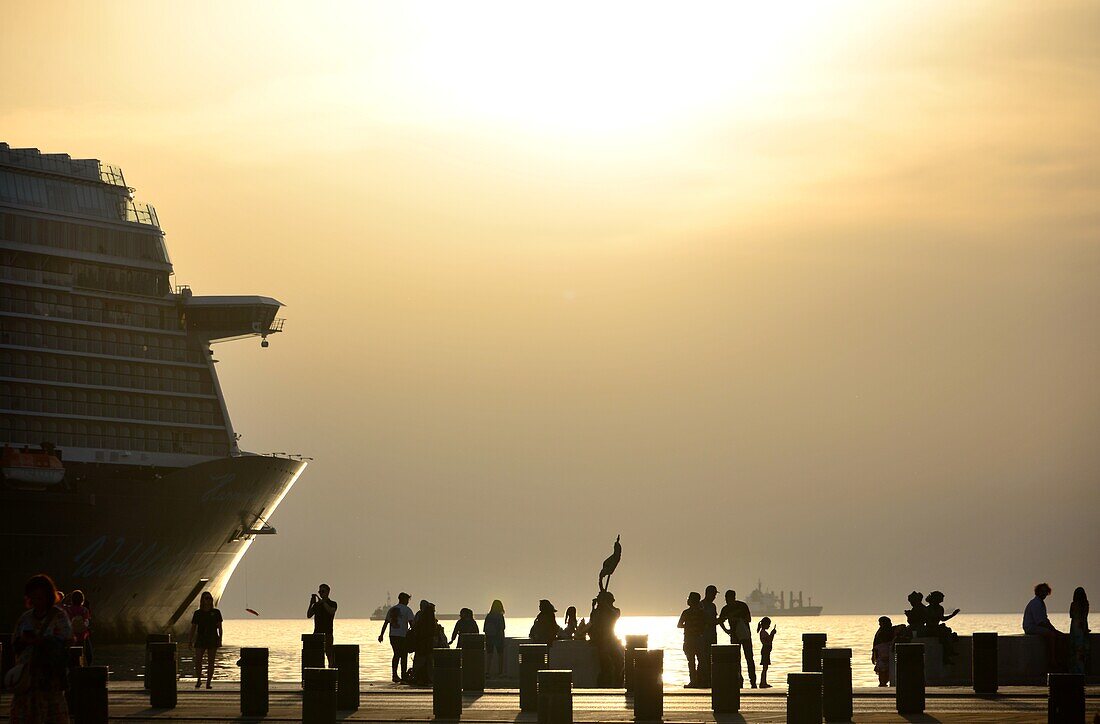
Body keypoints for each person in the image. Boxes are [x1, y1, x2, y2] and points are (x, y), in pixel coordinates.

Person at [8, 574, 74, 723]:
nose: (37, 601)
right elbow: (15, 644)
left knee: (52, 714)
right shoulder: (25, 618)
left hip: (50, 676)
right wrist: (24, 641)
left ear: (49, 597)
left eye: (40, 597)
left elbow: (67, 641)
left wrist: (41, 641)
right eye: (33, 597)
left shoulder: (59, 617)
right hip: (28, 677)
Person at [718, 589, 756, 688]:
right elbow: (721, 621)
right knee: (741, 659)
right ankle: (744, 680)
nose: (726, 600)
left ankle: (748, 681)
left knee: (745, 659)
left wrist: (734, 621)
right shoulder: (736, 607)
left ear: (732, 597)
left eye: (727, 598)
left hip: (741, 636)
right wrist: (726, 630)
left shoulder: (735, 607)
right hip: (740, 635)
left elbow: (749, 619)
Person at [1023, 582, 1063, 672]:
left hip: (1036, 626)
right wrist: (1053, 630)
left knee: (1055, 634)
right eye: (1042, 591)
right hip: (1031, 627)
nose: (1044, 594)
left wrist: (1054, 629)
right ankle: (1052, 660)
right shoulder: (1036, 603)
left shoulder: (1040, 603)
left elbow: (1045, 620)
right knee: (1051, 635)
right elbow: (1040, 622)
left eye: (1045, 592)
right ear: (1038, 592)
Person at [587, 591, 623, 687]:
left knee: (620, 660)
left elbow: (613, 614)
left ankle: (617, 681)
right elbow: (592, 620)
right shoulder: (598, 612)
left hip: (612, 640)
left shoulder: (615, 611)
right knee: (605, 664)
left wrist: (604, 604)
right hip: (601, 642)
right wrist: (593, 607)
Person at [378, 592, 415, 683]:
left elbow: (386, 623)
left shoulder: (392, 609)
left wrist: (381, 635)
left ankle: (394, 675)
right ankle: (403, 676)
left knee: (396, 654)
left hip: (392, 636)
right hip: (402, 636)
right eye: (407, 600)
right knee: (403, 655)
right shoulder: (407, 610)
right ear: (404, 599)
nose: (408, 602)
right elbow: (412, 624)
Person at [189, 591, 222, 689]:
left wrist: (220, 639)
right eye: (206, 598)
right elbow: (193, 627)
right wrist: (190, 640)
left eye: (210, 598)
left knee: (211, 662)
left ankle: (208, 682)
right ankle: (199, 679)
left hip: (212, 637)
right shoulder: (198, 613)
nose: (208, 600)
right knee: (198, 660)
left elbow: (220, 627)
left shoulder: (216, 612)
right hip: (201, 637)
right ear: (202, 600)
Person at [676, 592, 707, 687]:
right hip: (699, 639)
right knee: (701, 660)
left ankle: (694, 681)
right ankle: (699, 680)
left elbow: (679, 625)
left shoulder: (686, 612)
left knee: (691, 661)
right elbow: (705, 625)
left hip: (689, 640)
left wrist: (688, 626)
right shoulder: (702, 613)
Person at [924, 591, 959, 664]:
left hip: (937, 627)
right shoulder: (928, 608)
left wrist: (952, 615)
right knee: (944, 634)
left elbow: (942, 619)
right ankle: (946, 656)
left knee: (948, 632)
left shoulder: (940, 608)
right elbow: (927, 620)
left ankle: (949, 652)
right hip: (930, 628)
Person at [307, 583, 338, 667]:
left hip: (328, 633)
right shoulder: (317, 605)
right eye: (319, 592)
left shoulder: (332, 603)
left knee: (329, 654)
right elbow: (309, 615)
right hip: (317, 633)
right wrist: (311, 604)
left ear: (328, 592)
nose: (321, 593)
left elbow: (331, 611)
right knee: (317, 655)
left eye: (322, 591)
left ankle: (331, 669)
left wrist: (323, 602)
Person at [409, 600, 439, 684]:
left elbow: (415, 627)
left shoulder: (420, 615)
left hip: (421, 642)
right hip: (429, 642)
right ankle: (430, 678)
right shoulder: (431, 617)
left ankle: (417, 676)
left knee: (419, 660)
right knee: (429, 661)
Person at [697, 585, 719, 686]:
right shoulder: (701, 605)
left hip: (712, 635)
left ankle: (710, 679)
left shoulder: (713, 606)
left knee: (711, 658)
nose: (715, 596)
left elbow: (713, 620)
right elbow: (704, 619)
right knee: (703, 658)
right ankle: (701, 679)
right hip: (703, 636)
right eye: (714, 594)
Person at [63, 590, 92, 665]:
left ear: (72, 600)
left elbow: (61, 605)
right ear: (82, 600)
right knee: (87, 654)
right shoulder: (84, 610)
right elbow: (87, 621)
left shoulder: (67, 609)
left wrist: (66, 597)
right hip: (83, 636)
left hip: (71, 636)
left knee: (71, 654)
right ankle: (87, 667)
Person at [1069, 587, 1090, 675]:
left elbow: (1071, 615)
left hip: (1075, 627)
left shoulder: (1073, 604)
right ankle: (1082, 670)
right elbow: (1085, 616)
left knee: (1074, 650)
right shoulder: (1086, 604)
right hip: (1083, 626)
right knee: (1082, 651)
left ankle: (1075, 671)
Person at [483, 600, 506, 677]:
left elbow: (484, 628)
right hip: (499, 637)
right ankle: (500, 672)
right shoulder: (500, 616)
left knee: (489, 654)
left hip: (489, 637)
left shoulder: (488, 616)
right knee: (500, 655)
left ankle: (487, 671)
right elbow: (503, 627)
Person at [872, 616, 896, 687]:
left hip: (885, 655)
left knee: (885, 672)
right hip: (883, 655)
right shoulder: (882, 632)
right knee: (883, 672)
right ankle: (882, 684)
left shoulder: (886, 631)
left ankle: (883, 684)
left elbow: (875, 646)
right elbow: (875, 646)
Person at [757, 617, 776, 688]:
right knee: (765, 668)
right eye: (768, 624)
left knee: (765, 667)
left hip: (766, 651)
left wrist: (772, 634)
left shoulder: (763, 632)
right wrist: (772, 634)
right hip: (765, 651)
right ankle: (762, 683)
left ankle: (764, 682)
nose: (769, 626)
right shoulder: (763, 633)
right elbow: (769, 641)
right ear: (765, 624)